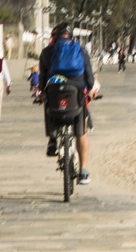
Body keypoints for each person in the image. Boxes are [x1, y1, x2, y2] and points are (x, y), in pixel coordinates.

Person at [38, 24, 97, 184]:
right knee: (81, 131)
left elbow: (42, 75)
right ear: (71, 36)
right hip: (76, 91)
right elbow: (89, 74)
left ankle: (52, 140)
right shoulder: (80, 49)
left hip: (54, 88)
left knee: (48, 102)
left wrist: (41, 91)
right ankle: (83, 172)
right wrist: (90, 89)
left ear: (54, 37)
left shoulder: (47, 52)